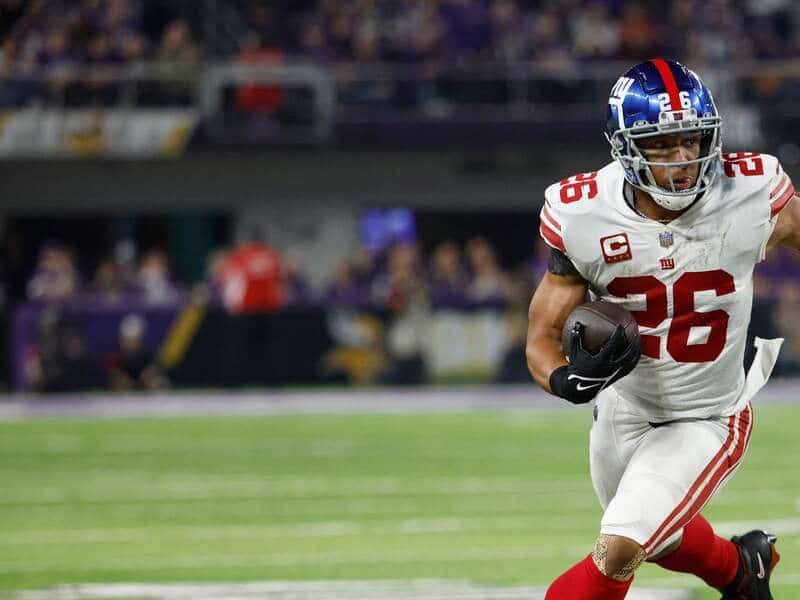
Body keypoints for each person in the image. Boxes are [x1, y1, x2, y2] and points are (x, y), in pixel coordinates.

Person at [526, 58, 800, 599]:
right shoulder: (583, 214)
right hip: (623, 408)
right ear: (625, 147)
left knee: (620, 547)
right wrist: (563, 379)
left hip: (708, 414)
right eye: (662, 144)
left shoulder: (749, 192)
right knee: (660, 536)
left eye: (692, 140)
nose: (683, 159)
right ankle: (742, 571)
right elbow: (540, 337)